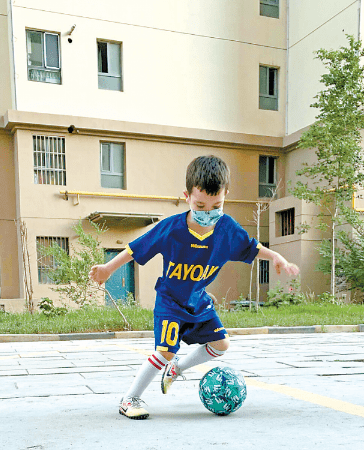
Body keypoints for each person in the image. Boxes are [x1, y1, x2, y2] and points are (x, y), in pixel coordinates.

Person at [88, 155, 299, 420]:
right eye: (200, 205)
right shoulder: (171, 229)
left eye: (216, 205)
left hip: (198, 301)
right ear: (187, 196)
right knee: (165, 350)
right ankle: (129, 399)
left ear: (225, 198)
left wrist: (277, 257)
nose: (208, 212)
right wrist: (108, 269)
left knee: (221, 344)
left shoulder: (226, 229)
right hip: (171, 301)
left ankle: (178, 368)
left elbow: (253, 248)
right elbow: (135, 249)